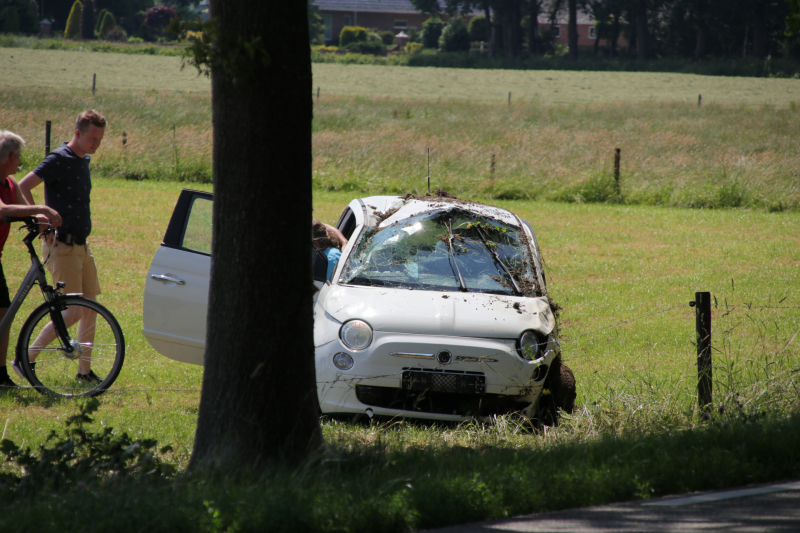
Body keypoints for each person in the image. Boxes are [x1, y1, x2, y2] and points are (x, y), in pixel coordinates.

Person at [18, 110, 106, 384]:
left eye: (100, 139)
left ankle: (84, 371)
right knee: (73, 309)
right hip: (62, 246)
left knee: (91, 305)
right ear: (77, 133)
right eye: (92, 137)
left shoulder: (84, 159)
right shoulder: (59, 158)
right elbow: (23, 185)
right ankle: (26, 358)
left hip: (82, 246)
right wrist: (38, 218)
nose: (95, 143)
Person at [0, 131, 62, 389]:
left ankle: (0, 374)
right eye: (19, 157)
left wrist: (42, 223)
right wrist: (41, 209)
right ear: (11, 156)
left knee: (4, 314)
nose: (19, 161)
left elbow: (25, 211)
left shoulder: (10, 184)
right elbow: (3, 210)